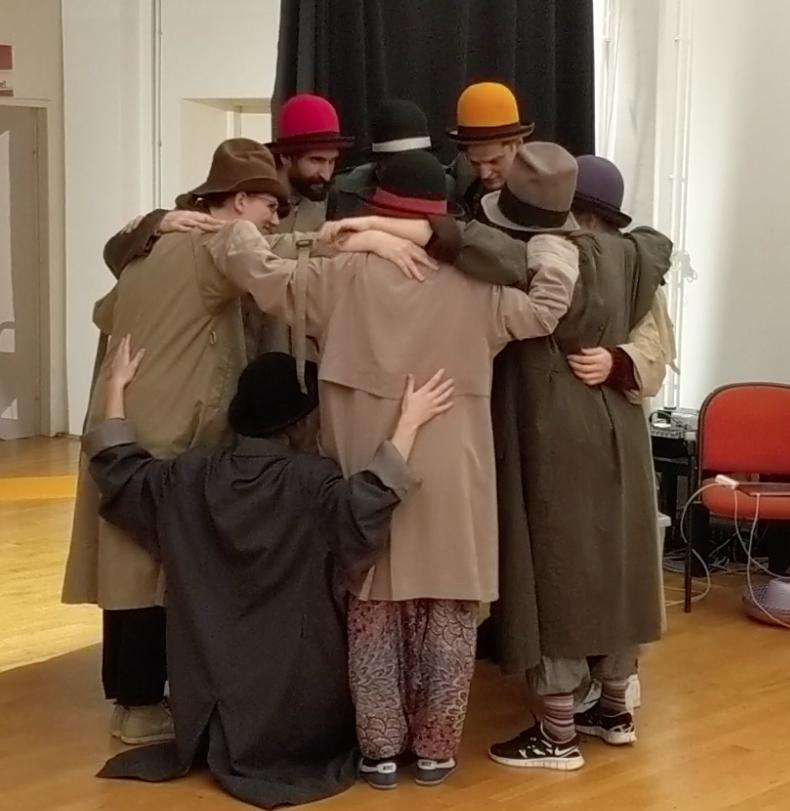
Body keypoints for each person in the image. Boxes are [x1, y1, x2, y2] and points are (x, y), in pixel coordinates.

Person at [205, 148, 580, 788]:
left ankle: (379, 751)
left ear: (377, 206)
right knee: (449, 614)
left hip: (367, 473)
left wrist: (229, 224)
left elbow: (257, 270)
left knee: (372, 613)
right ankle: (436, 750)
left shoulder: (341, 275)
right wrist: (554, 245)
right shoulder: (480, 286)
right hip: (454, 477)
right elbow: (547, 306)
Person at [62, 139, 436, 746]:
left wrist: (153, 222)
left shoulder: (153, 244)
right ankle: (144, 707)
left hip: (123, 412)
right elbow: (278, 270)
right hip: (179, 425)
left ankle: (133, 698)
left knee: (129, 564)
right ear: (239, 201)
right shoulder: (226, 239)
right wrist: (370, 245)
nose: (275, 219)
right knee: (160, 569)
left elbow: (109, 305)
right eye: (269, 206)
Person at [86, 342, 452, 808]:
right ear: (300, 424)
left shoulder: (191, 474)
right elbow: (368, 504)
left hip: (209, 711)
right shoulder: (311, 482)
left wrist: (115, 387)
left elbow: (120, 471)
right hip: (298, 720)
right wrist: (409, 422)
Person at [462, 146, 672, 771]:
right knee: (618, 563)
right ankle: (614, 710)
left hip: (550, 426)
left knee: (551, 567)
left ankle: (557, 735)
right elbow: (658, 340)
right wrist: (621, 361)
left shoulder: (532, 256)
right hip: (621, 428)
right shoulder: (638, 260)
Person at [328, 99, 438, 220]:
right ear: (379, 164)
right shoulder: (346, 190)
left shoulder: (447, 188)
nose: (407, 170)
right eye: (398, 162)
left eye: (416, 161)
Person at [446, 82, 535, 220]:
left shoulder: (543, 196)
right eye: (475, 163)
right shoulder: (461, 178)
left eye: (494, 161)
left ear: (518, 145)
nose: (484, 174)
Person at [266, 93, 354, 232]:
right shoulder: (253, 200)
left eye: (331, 161)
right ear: (285, 157)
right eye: (316, 160)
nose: (326, 175)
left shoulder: (323, 198)